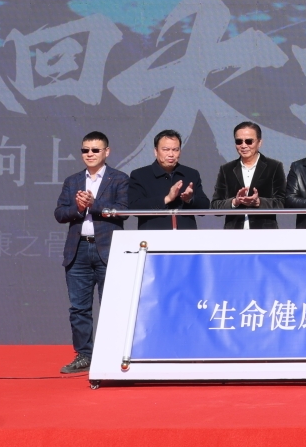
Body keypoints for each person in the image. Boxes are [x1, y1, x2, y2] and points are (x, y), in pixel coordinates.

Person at [53, 131, 129, 374]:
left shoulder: (119, 179)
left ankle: (112, 355)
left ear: (107, 152)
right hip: (78, 250)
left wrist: (93, 205)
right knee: (79, 308)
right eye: (85, 150)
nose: (90, 154)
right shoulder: (73, 181)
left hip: (108, 249)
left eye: (95, 150)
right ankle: (84, 355)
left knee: (111, 306)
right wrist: (78, 207)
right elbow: (59, 214)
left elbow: (123, 211)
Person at [211, 121, 286, 230]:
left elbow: (282, 202)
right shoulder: (226, 169)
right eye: (239, 141)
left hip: (265, 233)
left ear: (259, 142)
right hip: (234, 233)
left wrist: (258, 202)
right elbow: (215, 206)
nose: (243, 145)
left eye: (249, 141)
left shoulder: (274, 167)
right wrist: (235, 202)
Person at [128, 129, 209, 230]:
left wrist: (189, 199)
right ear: (156, 151)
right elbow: (134, 206)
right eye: (166, 149)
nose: (171, 154)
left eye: (175, 150)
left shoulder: (191, 174)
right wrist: (167, 199)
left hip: (186, 235)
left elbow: (205, 207)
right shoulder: (140, 175)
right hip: (153, 235)